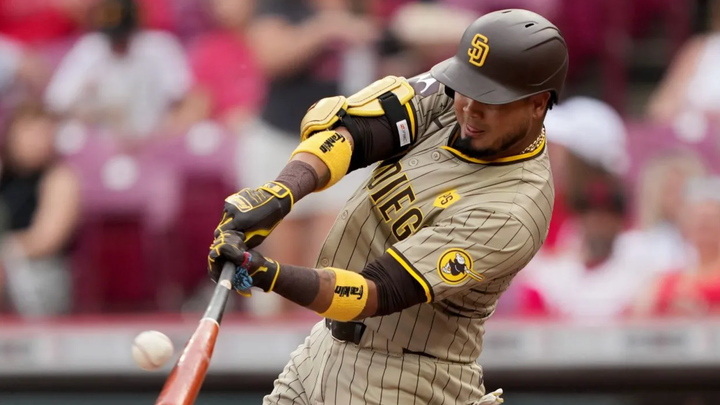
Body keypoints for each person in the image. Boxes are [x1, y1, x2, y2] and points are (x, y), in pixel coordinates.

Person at [207, 9, 568, 404]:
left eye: (490, 100)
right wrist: (280, 194)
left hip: (403, 379)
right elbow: (358, 131)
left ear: (537, 104)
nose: (469, 108)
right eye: (468, 87)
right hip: (324, 349)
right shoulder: (460, 101)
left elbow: (373, 292)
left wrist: (266, 273)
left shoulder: (513, 211)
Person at [0, 102, 81, 316]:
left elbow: (47, 239)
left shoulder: (60, 179)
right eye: (29, 132)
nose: (37, 141)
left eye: (44, 132)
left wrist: (6, 252)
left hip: (40, 273)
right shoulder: (4, 176)